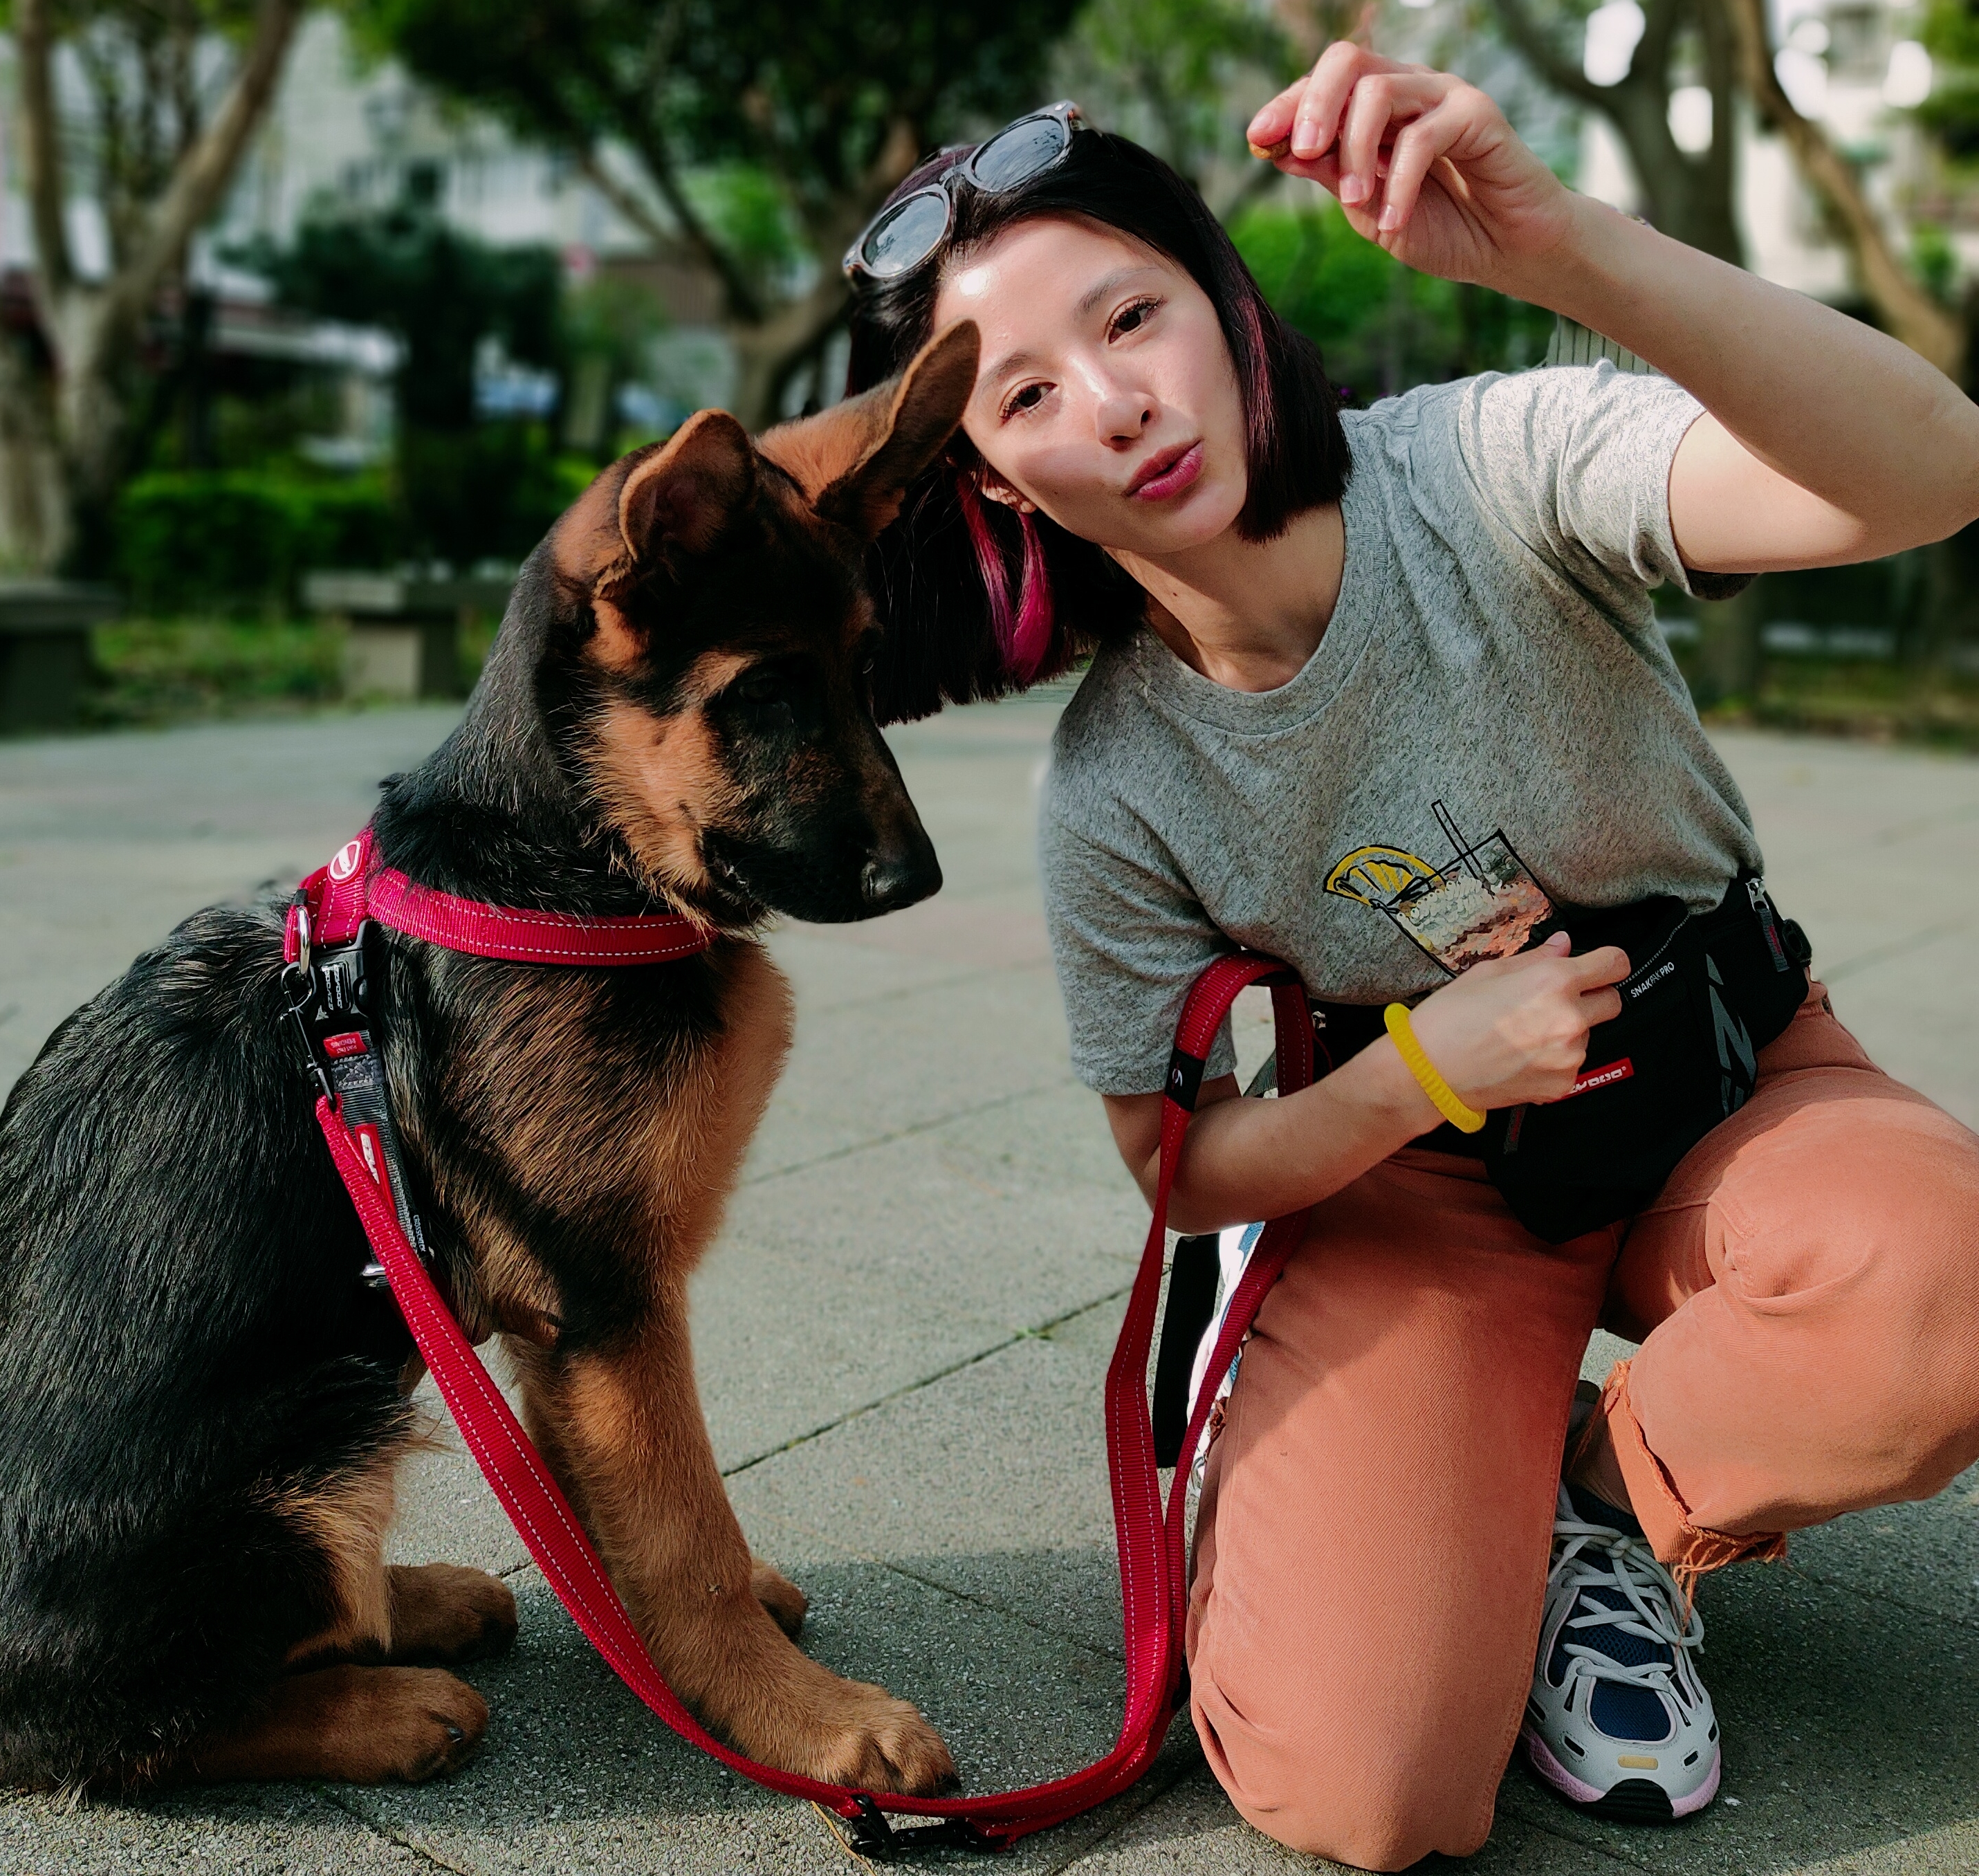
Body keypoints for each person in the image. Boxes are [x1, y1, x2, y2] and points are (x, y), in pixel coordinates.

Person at [842, 44, 1979, 1873]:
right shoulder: (1117, 790)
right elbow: (1181, 1163)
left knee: (1945, 1281)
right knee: (1361, 1790)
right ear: (996, 488)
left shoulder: (1488, 464)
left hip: (1726, 1085)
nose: (1118, 403)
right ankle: (1409, 1477)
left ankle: (1609, 1506)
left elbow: (1930, 474)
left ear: (1223, 299)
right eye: (1030, 395)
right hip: (1421, 1182)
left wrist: (1568, 255)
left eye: (1133, 315)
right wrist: (1429, 1070)